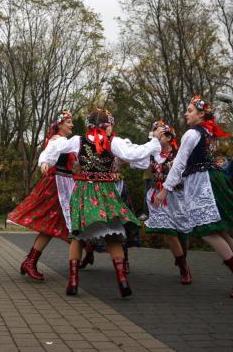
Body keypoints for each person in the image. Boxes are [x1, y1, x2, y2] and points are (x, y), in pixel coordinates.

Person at [43, 108, 164, 297]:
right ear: (106, 125)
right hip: (106, 192)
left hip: (84, 190)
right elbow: (134, 153)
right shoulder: (113, 142)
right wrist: (155, 141)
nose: (111, 128)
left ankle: (73, 282)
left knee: (78, 236)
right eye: (110, 125)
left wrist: (45, 161)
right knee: (112, 236)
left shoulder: (78, 140)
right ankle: (122, 280)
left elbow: (55, 147)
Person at [154, 95, 233, 298]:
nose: (186, 113)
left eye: (190, 110)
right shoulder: (208, 132)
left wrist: (165, 189)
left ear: (201, 113)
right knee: (220, 230)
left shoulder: (192, 134)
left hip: (202, 183)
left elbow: (179, 164)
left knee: (206, 230)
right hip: (212, 180)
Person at [7, 110, 74, 281]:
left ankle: (31, 261)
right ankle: (32, 261)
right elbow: (47, 154)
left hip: (66, 185)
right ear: (60, 125)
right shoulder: (58, 140)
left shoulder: (65, 141)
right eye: (69, 122)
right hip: (57, 186)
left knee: (58, 226)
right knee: (56, 225)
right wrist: (44, 162)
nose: (72, 125)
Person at [140, 121, 192, 284]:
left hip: (178, 196)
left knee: (181, 232)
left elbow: (182, 176)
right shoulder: (152, 154)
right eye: (154, 135)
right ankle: (184, 268)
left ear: (169, 137)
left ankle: (181, 257)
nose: (155, 138)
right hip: (158, 196)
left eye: (159, 135)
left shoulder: (178, 154)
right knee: (169, 232)